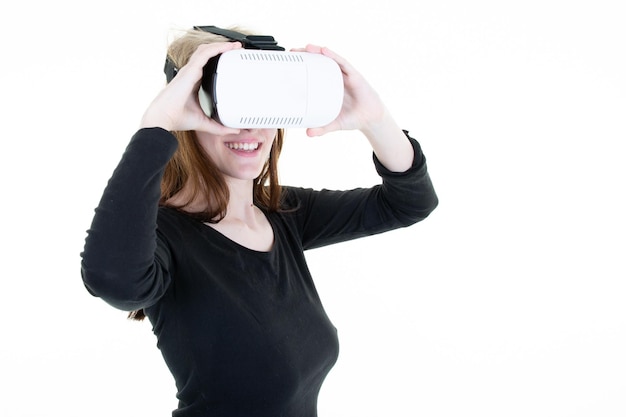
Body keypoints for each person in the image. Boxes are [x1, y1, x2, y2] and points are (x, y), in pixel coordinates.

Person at [80, 26, 438, 417]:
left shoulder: (282, 215)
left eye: (264, 102)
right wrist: (155, 128)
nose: (248, 126)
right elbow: (113, 280)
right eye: (230, 103)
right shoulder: (164, 239)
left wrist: (375, 119)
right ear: (187, 109)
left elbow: (410, 202)